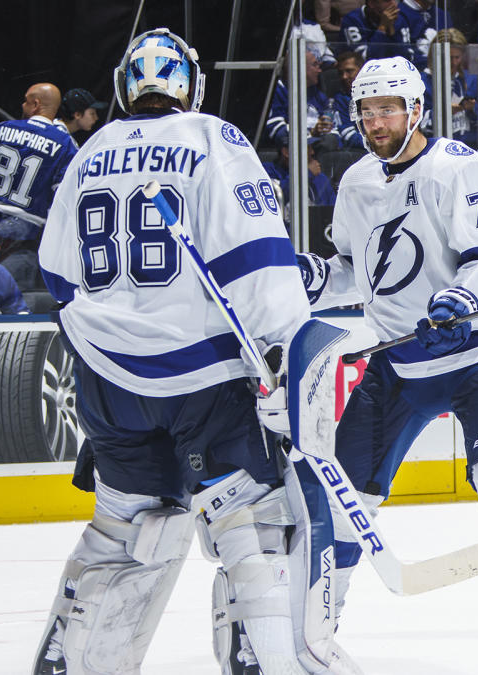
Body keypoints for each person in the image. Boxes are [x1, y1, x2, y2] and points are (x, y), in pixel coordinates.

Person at [32, 28, 354, 675]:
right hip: (204, 380)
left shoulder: (90, 151)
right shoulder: (215, 139)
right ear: (192, 86)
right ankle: (262, 661)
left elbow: (56, 274)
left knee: (129, 529)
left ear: (127, 87)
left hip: (107, 386)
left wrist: (112, 343)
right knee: (254, 524)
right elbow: (258, 264)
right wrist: (284, 349)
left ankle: (72, 660)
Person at [296, 56, 478, 674]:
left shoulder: (458, 167)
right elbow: (358, 273)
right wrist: (315, 277)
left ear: (416, 110)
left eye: (387, 109)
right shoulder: (355, 184)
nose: (376, 121)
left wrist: (457, 299)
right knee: (344, 498)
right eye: (366, 111)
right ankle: (318, 627)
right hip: (402, 359)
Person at [0, 82, 78, 291]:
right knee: (10, 298)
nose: (22, 104)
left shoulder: (2, 129)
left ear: (35, 104)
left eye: (26, 101)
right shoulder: (65, 144)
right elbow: (61, 197)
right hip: (25, 233)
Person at [265, 50, 339, 151]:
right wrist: (311, 133)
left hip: (319, 148)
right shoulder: (277, 90)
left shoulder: (317, 94)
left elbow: (335, 132)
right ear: (299, 68)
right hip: (293, 153)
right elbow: (277, 133)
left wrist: (322, 131)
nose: (319, 70)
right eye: (315, 65)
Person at [439, 29, 478, 149]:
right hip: (438, 147)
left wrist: (472, 109)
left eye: (457, 57)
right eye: (449, 57)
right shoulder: (428, 80)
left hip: (469, 145)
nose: (453, 62)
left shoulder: (472, 79)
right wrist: (444, 112)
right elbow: (420, 120)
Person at [341, 0, 423, 67]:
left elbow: (407, 58)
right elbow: (364, 60)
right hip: (366, 75)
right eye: (387, 1)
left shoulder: (399, 19)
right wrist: (382, 28)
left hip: (394, 72)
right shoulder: (352, 20)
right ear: (371, 3)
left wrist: (392, 32)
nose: (394, 4)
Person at [332, 50, 366, 149]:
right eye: (341, 73)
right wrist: (377, 144)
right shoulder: (341, 100)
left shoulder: (380, 94)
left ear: (362, 71)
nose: (344, 77)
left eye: (349, 71)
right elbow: (349, 137)